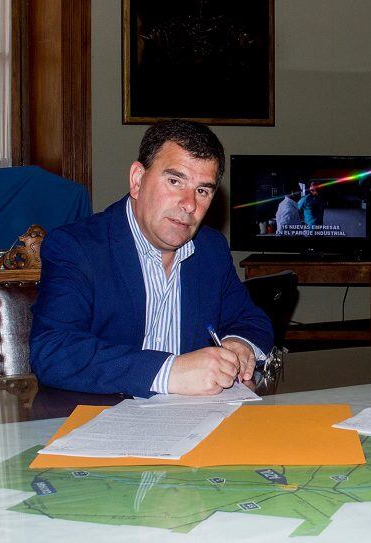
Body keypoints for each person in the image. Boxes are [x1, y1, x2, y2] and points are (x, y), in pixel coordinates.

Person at [30, 120, 274, 398]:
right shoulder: (76, 247)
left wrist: (239, 344)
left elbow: (252, 321)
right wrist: (168, 372)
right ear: (137, 180)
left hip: (195, 425)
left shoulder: (211, 250)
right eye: (174, 181)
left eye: (202, 190)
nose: (189, 204)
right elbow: (53, 350)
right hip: (103, 426)